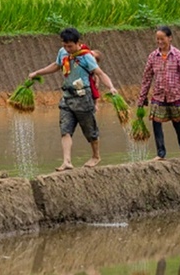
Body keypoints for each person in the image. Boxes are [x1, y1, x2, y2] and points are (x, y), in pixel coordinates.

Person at [28, 27, 120, 171]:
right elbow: (56, 66)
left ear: (78, 43)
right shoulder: (62, 52)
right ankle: (67, 161)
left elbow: (100, 73)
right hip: (67, 97)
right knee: (65, 130)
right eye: (64, 45)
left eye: (70, 46)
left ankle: (96, 156)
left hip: (83, 97)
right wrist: (37, 72)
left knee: (90, 131)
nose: (67, 49)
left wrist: (111, 87)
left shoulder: (86, 57)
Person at [137, 25, 180, 160]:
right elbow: (147, 78)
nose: (159, 42)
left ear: (170, 38)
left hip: (175, 94)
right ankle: (161, 153)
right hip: (158, 94)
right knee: (156, 122)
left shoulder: (178, 55)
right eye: (157, 39)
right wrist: (141, 99)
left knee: (177, 123)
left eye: (162, 39)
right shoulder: (153, 56)